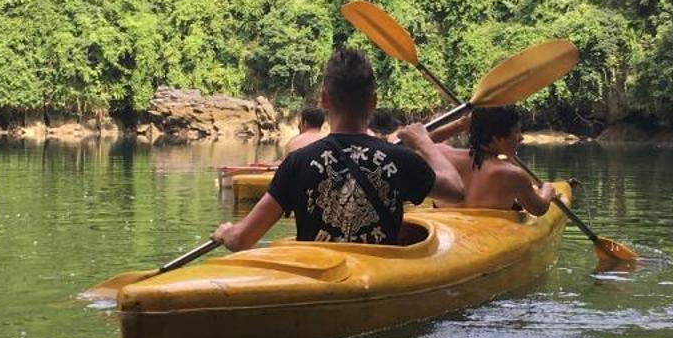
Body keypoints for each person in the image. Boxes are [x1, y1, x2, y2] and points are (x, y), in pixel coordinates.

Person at [214, 48, 464, 249]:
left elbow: (241, 240)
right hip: (377, 281)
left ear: (324, 98)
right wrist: (425, 143)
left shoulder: (298, 162)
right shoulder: (400, 158)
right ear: (373, 101)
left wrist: (227, 232)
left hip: (318, 281)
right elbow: (455, 192)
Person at [429, 105, 558, 213]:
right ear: (497, 139)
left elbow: (418, 140)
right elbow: (538, 209)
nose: (521, 138)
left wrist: (459, 125)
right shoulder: (513, 174)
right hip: (482, 238)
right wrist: (547, 189)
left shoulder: (441, 154)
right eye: (516, 132)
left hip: (445, 232)